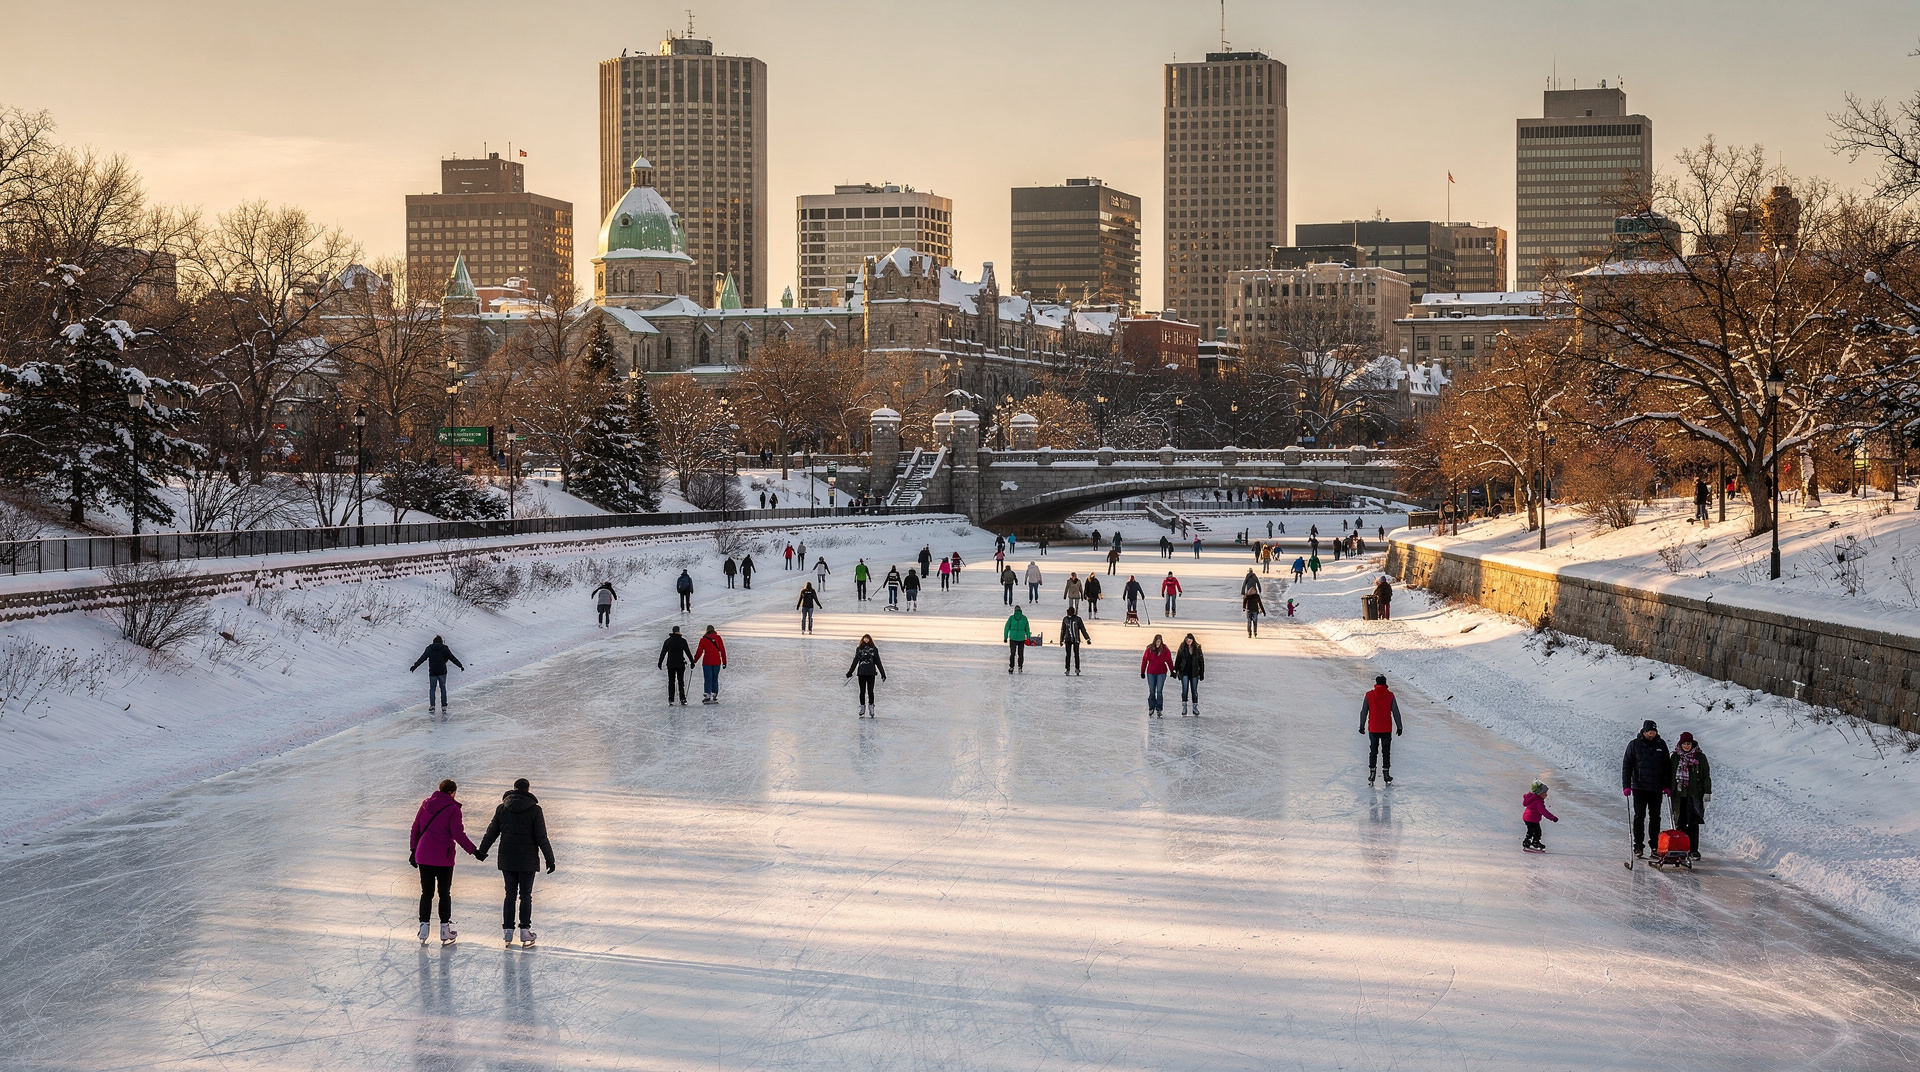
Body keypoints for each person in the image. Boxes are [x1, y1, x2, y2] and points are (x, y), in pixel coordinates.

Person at [477, 778, 555, 947]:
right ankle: (525, 931)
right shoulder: (535, 810)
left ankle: (508, 932)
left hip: (508, 859)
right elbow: (541, 837)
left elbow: (491, 832)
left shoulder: (502, 808)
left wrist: (482, 851)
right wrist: (550, 859)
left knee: (509, 895)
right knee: (525, 895)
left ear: (514, 789)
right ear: (528, 789)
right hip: (527, 860)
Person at [410, 778, 480, 944]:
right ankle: (444, 930)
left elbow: (415, 828)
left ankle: (424, 929)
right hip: (443, 859)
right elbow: (458, 833)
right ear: (453, 792)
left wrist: (413, 850)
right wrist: (474, 850)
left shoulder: (425, 805)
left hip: (424, 856)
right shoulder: (453, 808)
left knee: (426, 893)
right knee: (444, 894)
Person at [1621, 719, 1672, 859]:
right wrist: (1626, 785)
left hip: (1656, 787)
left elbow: (1667, 766)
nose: (1652, 734)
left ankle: (1655, 845)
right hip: (1640, 787)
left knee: (1655, 817)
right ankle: (1638, 845)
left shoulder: (1661, 745)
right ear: (1644, 731)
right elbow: (1627, 765)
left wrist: (1667, 785)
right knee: (1640, 816)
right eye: (1650, 732)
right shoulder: (1634, 745)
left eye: (1654, 732)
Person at [1669, 731, 1712, 859]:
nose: (1687, 746)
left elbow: (1706, 775)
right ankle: (1681, 848)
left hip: (1694, 793)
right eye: (1684, 743)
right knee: (1680, 820)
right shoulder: (1675, 757)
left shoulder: (1700, 757)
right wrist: (1667, 788)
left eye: (1689, 744)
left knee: (1693, 821)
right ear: (1680, 744)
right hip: (1679, 794)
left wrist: (1707, 791)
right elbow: (1670, 773)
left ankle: (1693, 849)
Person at [1358, 674, 1404, 784]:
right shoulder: (1390, 695)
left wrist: (1361, 726)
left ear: (1376, 683)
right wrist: (1399, 726)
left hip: (1373, 728)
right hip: (1386, 729)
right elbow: (1395, 712)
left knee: (1373, 751)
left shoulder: (1369, 695)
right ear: (1385, 683)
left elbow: (1364, 712)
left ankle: (1372, 773)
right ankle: (1386, 773)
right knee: (1386, 752)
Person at [410, 635, 464, 712]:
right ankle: (444, 706)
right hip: (442, 672)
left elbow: (423, 658)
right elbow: (452, 657)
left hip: (433, 672)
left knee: (432, 689)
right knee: (443, 689)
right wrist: (460, 665)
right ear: (441, 641)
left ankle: (432, 705)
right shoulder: (444, 649)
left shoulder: (429, 649)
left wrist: (415, 665)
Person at [846, 633, 887, 716]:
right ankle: (862, 707)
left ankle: (871, 707)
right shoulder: (859, 649)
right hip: (862, 673)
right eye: (865, 638)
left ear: (870, 639)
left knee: (870, 691)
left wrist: (883, 673)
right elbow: (855, 661)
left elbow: (878, 662)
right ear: (862, 639)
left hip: (871, 673)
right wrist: (850, 671)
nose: (866, 640)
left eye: (867, 638)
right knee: (862, 691)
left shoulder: (874, 649)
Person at [657, 625, 692, 705]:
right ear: (678, 631)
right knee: (681, 681)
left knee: (671, 681)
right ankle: (682, 698)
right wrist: (692, 662)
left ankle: (671, 699)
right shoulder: (682, 641)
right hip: (680, 664)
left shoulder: (668, 641)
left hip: (671, 664)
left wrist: (660, 662)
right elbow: (688, 652)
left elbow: (663, 653)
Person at [1140, 635, 1173, 716]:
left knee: (1159, 691)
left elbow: (1169, 660)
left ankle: (1159, 709)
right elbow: (1144, 660)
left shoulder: (1165, 649)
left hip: (1161, 673)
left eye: (1159, 641)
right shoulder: (1149, 649)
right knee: (1152, 691)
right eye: (1157, 641)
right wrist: (1142, 672)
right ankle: (1151, 707)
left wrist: (1172, 670)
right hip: (1151, 673)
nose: (1158, 643)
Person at [1522, 780, 1559, 852]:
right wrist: (1552, 818)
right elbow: (1543, 811)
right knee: (1535, 831)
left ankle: (1529, 842)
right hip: (1531, 818)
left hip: (1529, 818)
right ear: (1539, 793)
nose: (1546, 794)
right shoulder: (1538, 801)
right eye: (1544, 793)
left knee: (1533, 831)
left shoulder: (1533, 798)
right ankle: (1532, 842)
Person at [1173, 633, 1204, 715]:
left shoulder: (1197, 648)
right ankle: (1184, 706)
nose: (1188, 642)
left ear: (1193, 640)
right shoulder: (1182, 648)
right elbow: (1178, 660)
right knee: (1185, 689)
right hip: (1184, 672)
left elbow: (1201, 661)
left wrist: (1201, 673)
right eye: (1187, 641)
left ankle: (1194, 707)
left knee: (1194, 691)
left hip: (1194, 672)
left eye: (1190, 641)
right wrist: (1175, 671)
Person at [695, 625, 727, 703]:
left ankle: (707, 694)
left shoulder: (703, 639)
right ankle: (714, 694)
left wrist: (694, 661)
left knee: (708, 678)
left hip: (707, 662)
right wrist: (724, 661)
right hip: (717, 661)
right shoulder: (718, 638)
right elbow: (722, 650)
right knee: (715, 678)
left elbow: (699, 651)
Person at [1060, 605, 1092, 675]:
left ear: (1073, 612)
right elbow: (1063, 630)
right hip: (1068, 639)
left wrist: (1087, 638)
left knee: (1076, 654)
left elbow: (1083, 629)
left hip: (1076, 639)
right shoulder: (1065, 619)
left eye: (1070, 613)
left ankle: (1077, 668)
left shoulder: (1078, 619)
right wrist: (1061, 640)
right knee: (1068, 654)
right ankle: (1067, 668)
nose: (1069, 614)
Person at [1004, 606, 1031, 672]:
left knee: (1012, 653)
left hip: (1013, 637)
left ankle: (1011, 667)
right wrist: (1028, 638)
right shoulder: (1024, 618)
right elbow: (1027, 629)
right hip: (1021, 638)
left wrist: (1005, 637)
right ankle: (1020, 667)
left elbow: (1006, 627)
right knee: (1020, 653)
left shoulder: (1011, 618)